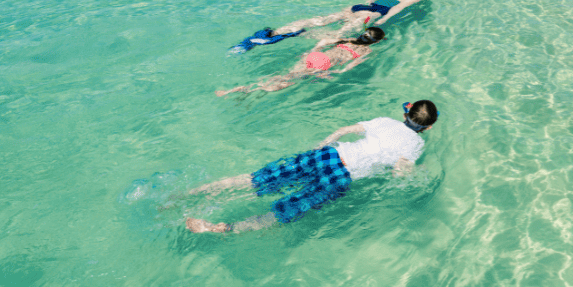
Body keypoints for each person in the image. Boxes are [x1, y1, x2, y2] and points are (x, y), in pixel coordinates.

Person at [185, 100, 439, 233]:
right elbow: (400, 170)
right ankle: (224, 228)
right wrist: (418, 174)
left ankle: (197, 192)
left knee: (259, 179)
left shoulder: (384, 121)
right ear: (428, 128)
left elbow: (344, 130)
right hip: (342, 177)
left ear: (406, 113)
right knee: (288, 211)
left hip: (329, 155)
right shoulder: (415, 145)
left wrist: (322, 144)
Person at [228, 0, 435, 54]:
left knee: (320, 20)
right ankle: (294, 35)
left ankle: (272, 33)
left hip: (360, 7)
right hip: (370, 15)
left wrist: (362, 10)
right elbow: (395, 9)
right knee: (336, 37)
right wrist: (381, 23)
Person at [216, 27, 386, 96]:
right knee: (287, 82)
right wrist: (334, 72)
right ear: (376, 42)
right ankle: (248, 91)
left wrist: (311, 52)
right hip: (324, 65)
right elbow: (349, 67)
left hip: (316, 57)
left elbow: (325, 42)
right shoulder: (367, 51)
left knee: (284, 75)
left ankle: (243, 90)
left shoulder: (349, 39)